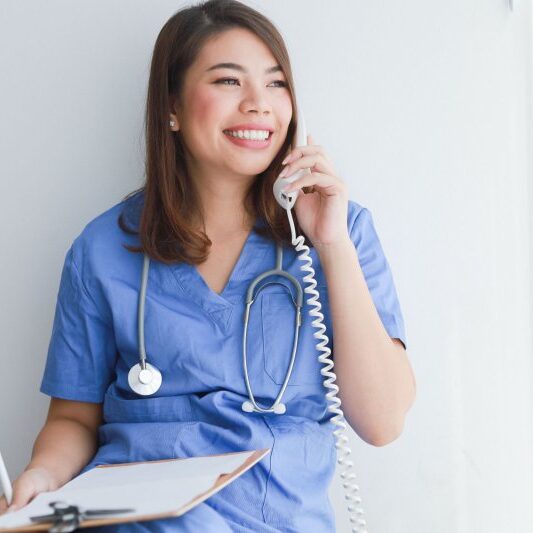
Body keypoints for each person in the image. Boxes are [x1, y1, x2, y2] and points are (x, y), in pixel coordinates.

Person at [0, 0, 416, 530]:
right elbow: (74, 419)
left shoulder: (342, 231)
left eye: (276, 84)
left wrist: (329, 243)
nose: (258, 105)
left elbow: (382, 422)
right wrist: (42, 478)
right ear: (171, 106)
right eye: (227, 81)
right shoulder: (102, 249)